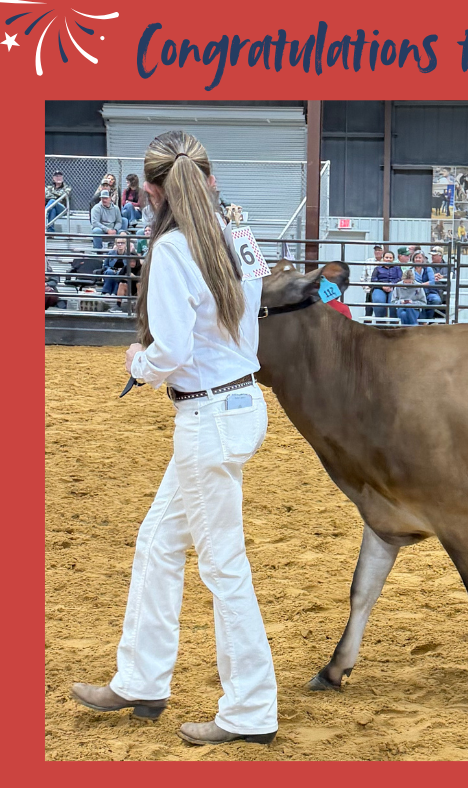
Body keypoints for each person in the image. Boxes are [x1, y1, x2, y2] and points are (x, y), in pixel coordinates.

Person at [70, 130, 278, 746]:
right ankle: (140, 678)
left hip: (206, 417)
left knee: (223, 565)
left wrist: (140, 360)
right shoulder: (239, 237)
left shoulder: (171, 251)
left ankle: (250, 711)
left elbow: (172, 350)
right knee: (158, 542)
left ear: (152, 192)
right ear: (210, 180)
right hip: (238, 404)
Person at [101, 232, 132, 307]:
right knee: (109, 272)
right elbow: (105, 265)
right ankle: (106, 292)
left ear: (125, 244)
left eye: (122, 243)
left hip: (122, 272)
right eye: (118, 243)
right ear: (116, 244)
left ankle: (115, 293)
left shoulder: (129, 254)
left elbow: (130, 267)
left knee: (119, 274)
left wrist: (120, 270)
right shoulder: (111, 253)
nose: (120, 245)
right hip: (111, 270)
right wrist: (112, 269)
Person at [370, 250, 403, 320]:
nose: (388, 259)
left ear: (393, 259)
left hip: (393, 288)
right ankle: (380, 323)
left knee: (393, 302)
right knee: (378, 301)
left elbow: (400, 278)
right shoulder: (377, 268)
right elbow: (373, 280)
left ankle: (393, 324)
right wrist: (382, 286)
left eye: (390, 258)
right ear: (383, 258)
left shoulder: (397, 268)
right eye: (386, 257)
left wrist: (392, 285)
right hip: (379, 288)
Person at [411, 250, 442, 320]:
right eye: (416, 258)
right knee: (416, 302)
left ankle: (428, 319)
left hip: (429, 292)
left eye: (419, 258)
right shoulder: (410, 270)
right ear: (413, 259)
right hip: (415, 293)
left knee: (436, 300)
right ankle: (422, 321)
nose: (418, 259)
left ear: (423, 259)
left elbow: (432, 282)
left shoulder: (428, 268)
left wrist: (420, 285)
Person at [361, 244, 383, 320]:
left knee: (381, 312)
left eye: (379, 250)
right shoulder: (368, 261)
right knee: (368, 313)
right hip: (370, 289)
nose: (377, 252)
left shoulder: (386, 262)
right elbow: (363, 277)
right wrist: (367, 289)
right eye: (376, 250)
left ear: (383, 251)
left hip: (381, 290)